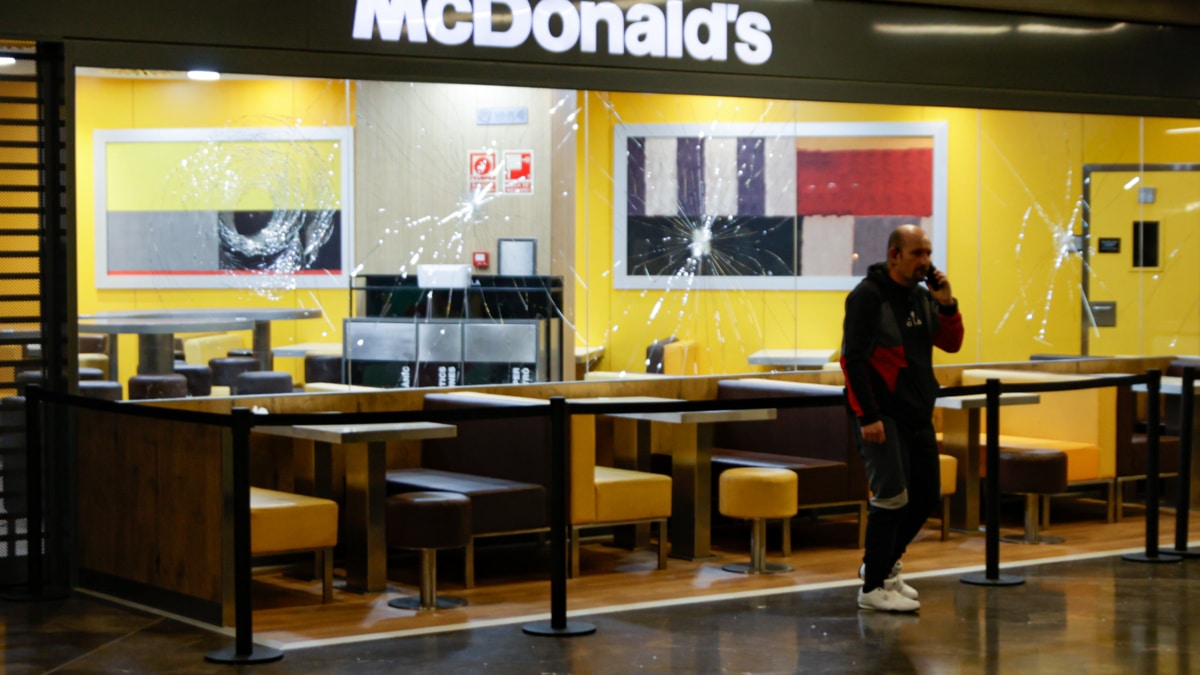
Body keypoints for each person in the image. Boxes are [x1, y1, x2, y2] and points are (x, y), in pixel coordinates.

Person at [840, 224, 963, 612]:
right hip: (882, 415)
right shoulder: (867, 297)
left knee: (925, 495)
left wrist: (947, 302)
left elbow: (951, 343)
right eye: (917, 254)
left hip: (917, 412)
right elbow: (852, 361)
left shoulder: (922, 297)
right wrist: (868, 416)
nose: (925, 262)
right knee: (892, 497)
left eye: (928, 253)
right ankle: (873, 587)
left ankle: (882, 566)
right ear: (895, 255)